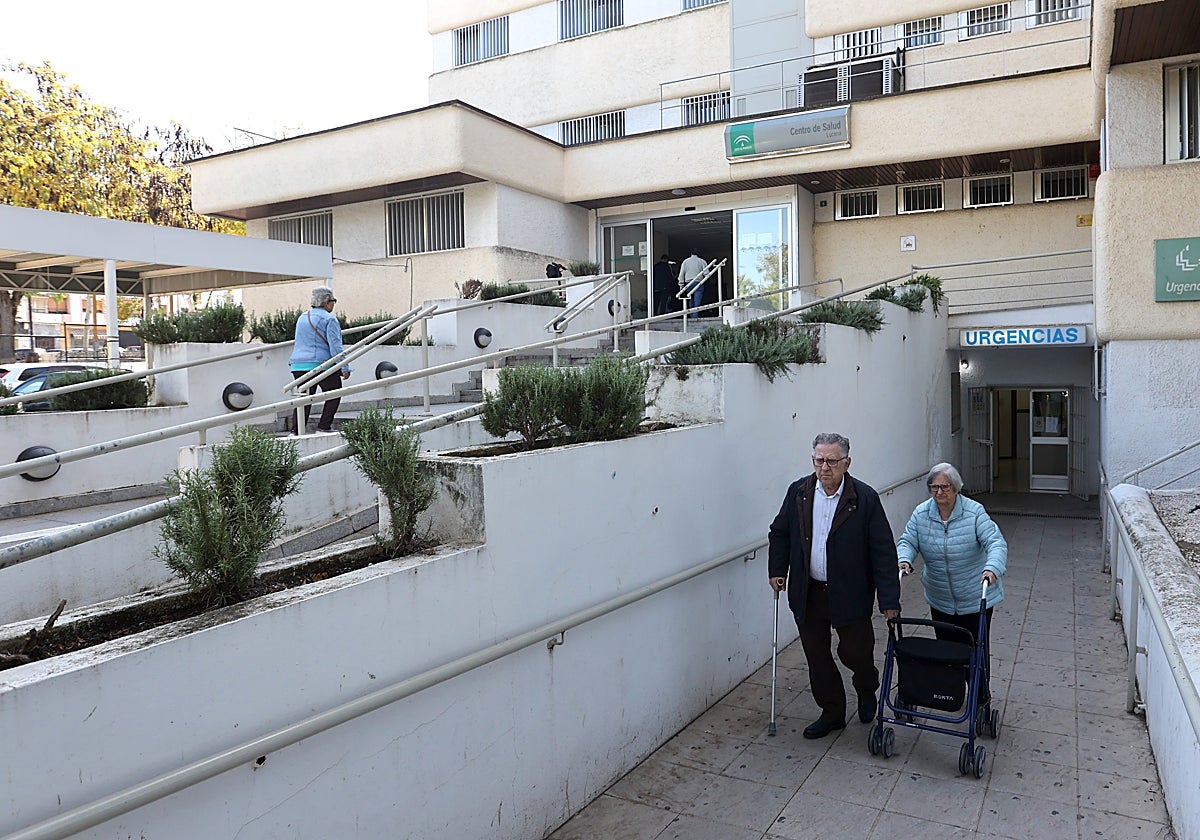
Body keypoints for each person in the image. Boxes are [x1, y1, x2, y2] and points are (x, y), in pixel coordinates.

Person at [768, 433, 901, 739]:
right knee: (817, 656)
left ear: (846, 463)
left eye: (831, 460)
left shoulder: (864, 498)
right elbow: (780, 532)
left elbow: (882, 549)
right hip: (808, 591)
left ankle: (867, 688)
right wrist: (778, 569)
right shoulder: (799, 492)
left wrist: (889, 600)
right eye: (819, 460)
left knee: (856, 651)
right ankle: (832, 712)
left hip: (850, 592)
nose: (824, 467)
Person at [897, 462, 1006, 706]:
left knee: (975, 650)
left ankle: (980, 697)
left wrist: (992, 568)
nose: (939, 493)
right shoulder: (922, 513)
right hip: (940, 597)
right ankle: (948, 692)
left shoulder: (974, 512)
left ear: (956, 488)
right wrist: (904, 559)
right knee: (946, 650)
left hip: (974, 596)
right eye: (934, 487)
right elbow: (908, 541)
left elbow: (995, 542)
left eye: (945, 487)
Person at [288, 286, 350, 434]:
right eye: (333, 301)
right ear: (327, 302)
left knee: (304, 398)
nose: (334, 304)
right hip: (321, 364)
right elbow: (336, 347)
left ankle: (296, 431)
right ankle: (323, 426)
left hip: (298, 364)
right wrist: (344, 367)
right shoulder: (329, 319)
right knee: (334, 393)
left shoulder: (302, 317)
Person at [676, 250, 707, 318]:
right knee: (697, 301)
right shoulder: (702, 261)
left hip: (688, 283)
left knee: (690, 299)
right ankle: (695, 316)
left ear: (691, 254)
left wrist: (681, 285)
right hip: (698, 282)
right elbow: (707, 274)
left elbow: (681, 274)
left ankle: (691, 315)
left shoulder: (685, 261)